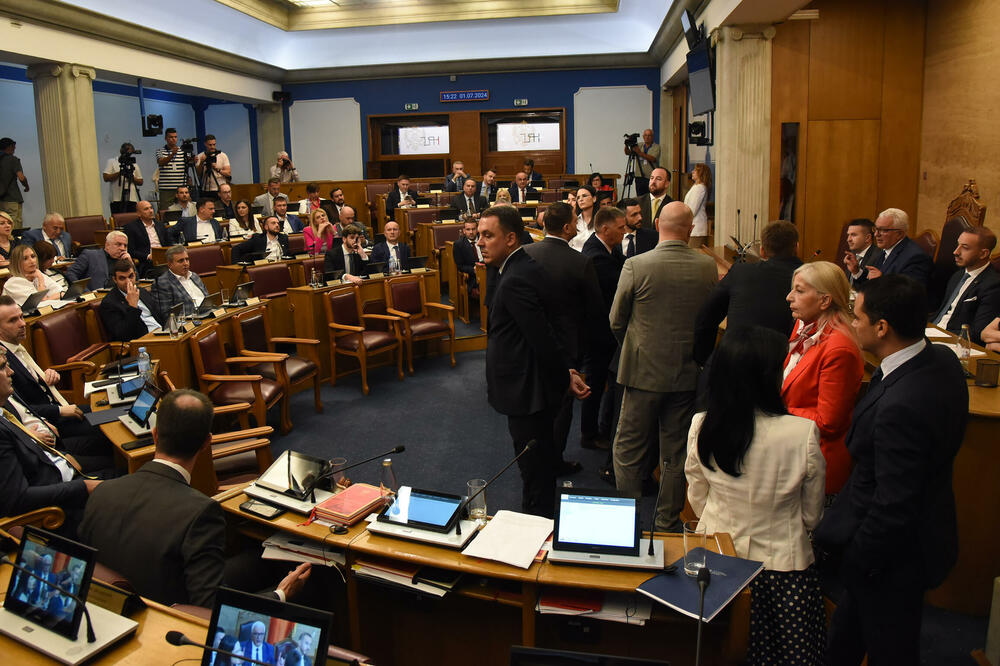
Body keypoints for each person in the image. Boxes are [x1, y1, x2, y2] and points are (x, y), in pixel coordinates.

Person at [816, 274, 968, 665]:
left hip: (890, 558)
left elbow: (892, 505)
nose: (852, 323)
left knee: (891, 650)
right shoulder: (941, 360)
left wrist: (858, 560)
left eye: (857, 316)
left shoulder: (901, 406)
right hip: (912, 537)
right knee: (845, 643)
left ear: (882, 327)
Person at [79, 389, 311, 609]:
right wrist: (280, 595)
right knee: (305, 584)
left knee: (257, 560)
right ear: (206, 443)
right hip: (168, 618)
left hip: (112, 605)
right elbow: (209, 609)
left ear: (155, 435)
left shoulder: (102, 491)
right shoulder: (200, 512)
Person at [686, 326, 826, 664]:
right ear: (769, 378)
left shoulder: (702, 424)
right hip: (783, 569)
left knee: (713, 650)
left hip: (717, 561)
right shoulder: (802, 433)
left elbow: (697, 495)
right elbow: (811, 515)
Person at [610, 201, 717, 531]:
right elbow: (708, 323)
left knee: (628, 449)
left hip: (642, 373)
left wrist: (635, 348)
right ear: (690, 230)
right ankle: (666, 523)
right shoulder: (707, 267)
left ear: (657, 225)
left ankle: (628, 525)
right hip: (685, 373)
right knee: (674, 454)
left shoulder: (636, 265)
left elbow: (616, 320)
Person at [479, 205, 588, 517]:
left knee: (535, 475)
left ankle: (537, 533)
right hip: (533, 387)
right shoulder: (520, 267)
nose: (481, 242)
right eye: (479, 235)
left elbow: (542, 337)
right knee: (539, 468)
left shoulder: (516, 277)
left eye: (489, 235)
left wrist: (564, 375)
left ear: (511, 238)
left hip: (527, 392)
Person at [524, 202, 604, 476]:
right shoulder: (580, 262)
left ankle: (533, 457)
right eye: (575, 221)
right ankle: (553, 461)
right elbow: (595, 309)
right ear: (568, 227)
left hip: (530, 343)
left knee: (534, 402)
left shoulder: (524, 254)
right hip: (567, 347)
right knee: (561, 408)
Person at [782, 261, 864, 494]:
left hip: (816, 465)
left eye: (799, 290)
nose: (789, 297)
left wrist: (777, 408)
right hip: (793, 451)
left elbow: (829, 423)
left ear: (825, 300)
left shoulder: (839, 349)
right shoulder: (804, 323)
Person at [0, 348, 100, 535]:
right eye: (3, 366)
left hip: (65, 475)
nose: (11, 371)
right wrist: (83, 487)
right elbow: (17, 499)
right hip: (61, 508)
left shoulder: (3, 412)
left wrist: (62, 457)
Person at [694, 220, 803, 364]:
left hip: (736, 363)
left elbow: (706, 318)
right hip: (787, 366)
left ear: (762, 250)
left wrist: (703, 363)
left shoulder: (741, 272)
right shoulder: (810, 279)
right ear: (797, 247)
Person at [580, 206, 627, 450]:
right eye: (621, 228)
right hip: (598, 334)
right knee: (595, 385)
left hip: (606, 331)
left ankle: (604, 429)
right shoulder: (596, 256)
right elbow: (624, 280)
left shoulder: (610, 247)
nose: (624, 231)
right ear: (605, 229)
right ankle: (589, 435)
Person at [930, 225, 1000, 344]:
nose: (956, 252)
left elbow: (977, 332)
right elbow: (941, 313)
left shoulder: (993, 285)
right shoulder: (958, 275)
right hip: (932, 332)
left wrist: (938, 337)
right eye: (958, 245)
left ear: (983, 254)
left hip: (952, 342)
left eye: (965, 248)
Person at [847, 207, 932, 286]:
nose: (876, 234)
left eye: (883, 230)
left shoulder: (915, 257)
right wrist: (857, 271)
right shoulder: (884, 250)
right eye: (876, 229)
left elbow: (910, 293)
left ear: (899, 234)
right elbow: (871, 284)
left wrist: (882, 280)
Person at [99, 259, 165, 340]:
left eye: (131, 276)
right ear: (115, 280)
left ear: (135, 275)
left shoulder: (142, 291)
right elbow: (123, 334)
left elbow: (159, 315)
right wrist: (132, 307)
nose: (128, 282)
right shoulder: (109, 303)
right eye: (122, 278)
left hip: (161, 332)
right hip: (143, 341)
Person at [152, 245, 209, 317]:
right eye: (181, 261)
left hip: (208, 314)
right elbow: (167, 315)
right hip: (189, 322)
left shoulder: (194, 276)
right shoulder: (162, 283)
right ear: (170, 264)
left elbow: (208, 299)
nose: (185, 263)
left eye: (187, 259)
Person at [122, 200, 169, 275]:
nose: (150, 211)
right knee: (167, 271)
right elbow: (131, 250)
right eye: (146, 209)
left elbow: (168, 243)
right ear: (138, 213)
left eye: (151, 208)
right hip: (147, 263)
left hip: (165, 258)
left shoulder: (160, 225)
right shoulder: (131, 228)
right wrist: (147, 256)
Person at [103, 142, 144, 208]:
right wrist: (120, 173)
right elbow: (105, 177)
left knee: (131, 217)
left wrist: (131, 177)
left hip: (131, 199)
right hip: (116, 199)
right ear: (122, 151)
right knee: (118, 217)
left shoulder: (134, 164)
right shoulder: (112, 161)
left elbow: (141, 181)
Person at [155, 128, 188, 210]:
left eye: (175, 137)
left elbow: (188, 163)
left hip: (180, 187)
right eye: (171, 137)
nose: (174, 139)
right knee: (166, 211)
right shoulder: (160, 151)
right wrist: (172, 154)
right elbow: (161, 162)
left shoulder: (183, 151)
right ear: (166, 138)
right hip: (166, 188)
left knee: (183, 210)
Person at [0, 137, 29, 227]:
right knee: (14, 227)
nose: (15, 148)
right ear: (9, 147)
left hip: (1, 200)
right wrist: (26, 186)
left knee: (3, 226)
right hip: (12, 199)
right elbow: (21, 177)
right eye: (13, 146)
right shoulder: (12, 159)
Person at [841, 218, 877, 284]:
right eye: (848, 235)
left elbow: (871, 287)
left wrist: (857, 272)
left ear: (867, 238)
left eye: (853, 235)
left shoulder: (878, 256)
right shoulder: (852, 255)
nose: (848, 239)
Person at [624, 129, 659, 196]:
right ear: (643, 136)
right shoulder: (639, 145)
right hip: (639, 176)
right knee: (640, 197)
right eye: (645, 135)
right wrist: (626, 145)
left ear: (653, 137)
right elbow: (628, 153)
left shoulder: (656, 147)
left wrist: (639, 153)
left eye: (649, 135)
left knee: (650, 196)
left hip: (650, 177)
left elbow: (653, 158)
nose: (647, 137)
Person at [453, 217, 482, 296]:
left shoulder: (483, 240)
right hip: (472, 278)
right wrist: (473, 270)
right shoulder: (459, 245)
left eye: (473, 229)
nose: (471, 232)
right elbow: (460, 266)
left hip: (487, 273)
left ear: (477, 229)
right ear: (464, 231)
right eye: (468, 229)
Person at [685, 163, 712, 249]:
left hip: (697, 229)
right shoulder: (696, 186)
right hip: (692, 228)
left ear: (701, 173)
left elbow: (692, 210)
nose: (692, 172)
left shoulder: (700, 188)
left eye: (695, 170)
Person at [569, 185, 597, 251]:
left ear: (594, 198)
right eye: (578, 198)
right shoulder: (572, 221)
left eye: (584, 196)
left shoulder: (602, 219)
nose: (581, 199)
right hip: (577, 258)